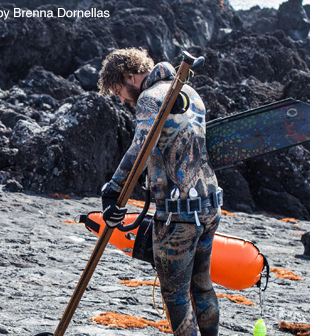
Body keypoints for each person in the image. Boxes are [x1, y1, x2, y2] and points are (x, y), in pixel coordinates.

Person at [97, 47, 222, 336]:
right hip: (209, 205)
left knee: (176, 296)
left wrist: (113, 190)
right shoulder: (190, 93)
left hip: (177, 217)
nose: (121, 99)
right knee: (202, 286)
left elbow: (140, 147)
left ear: (129, 76)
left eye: (118, 90)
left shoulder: (150, 99)